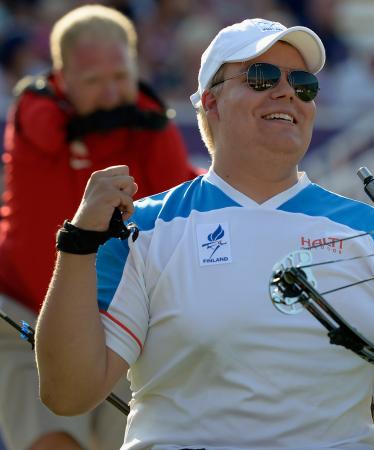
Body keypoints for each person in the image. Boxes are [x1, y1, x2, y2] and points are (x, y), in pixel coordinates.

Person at [35, 18, 374, 450]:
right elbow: (68, 392)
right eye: (261, 77)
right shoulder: (148, 226)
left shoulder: (371, 229)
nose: (287, 93)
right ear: (209, 102)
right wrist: (78, 242)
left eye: (302, 83)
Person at [0, 5, 199, 450]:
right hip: (26, 309)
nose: (111, 94)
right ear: (61, 77)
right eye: (93, 81)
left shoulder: (150, 120)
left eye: (120, 76)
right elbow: (44, 130)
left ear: (136, 66)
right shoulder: (34, 116)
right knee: (51, 443)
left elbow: (178, 211)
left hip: (118, 314)